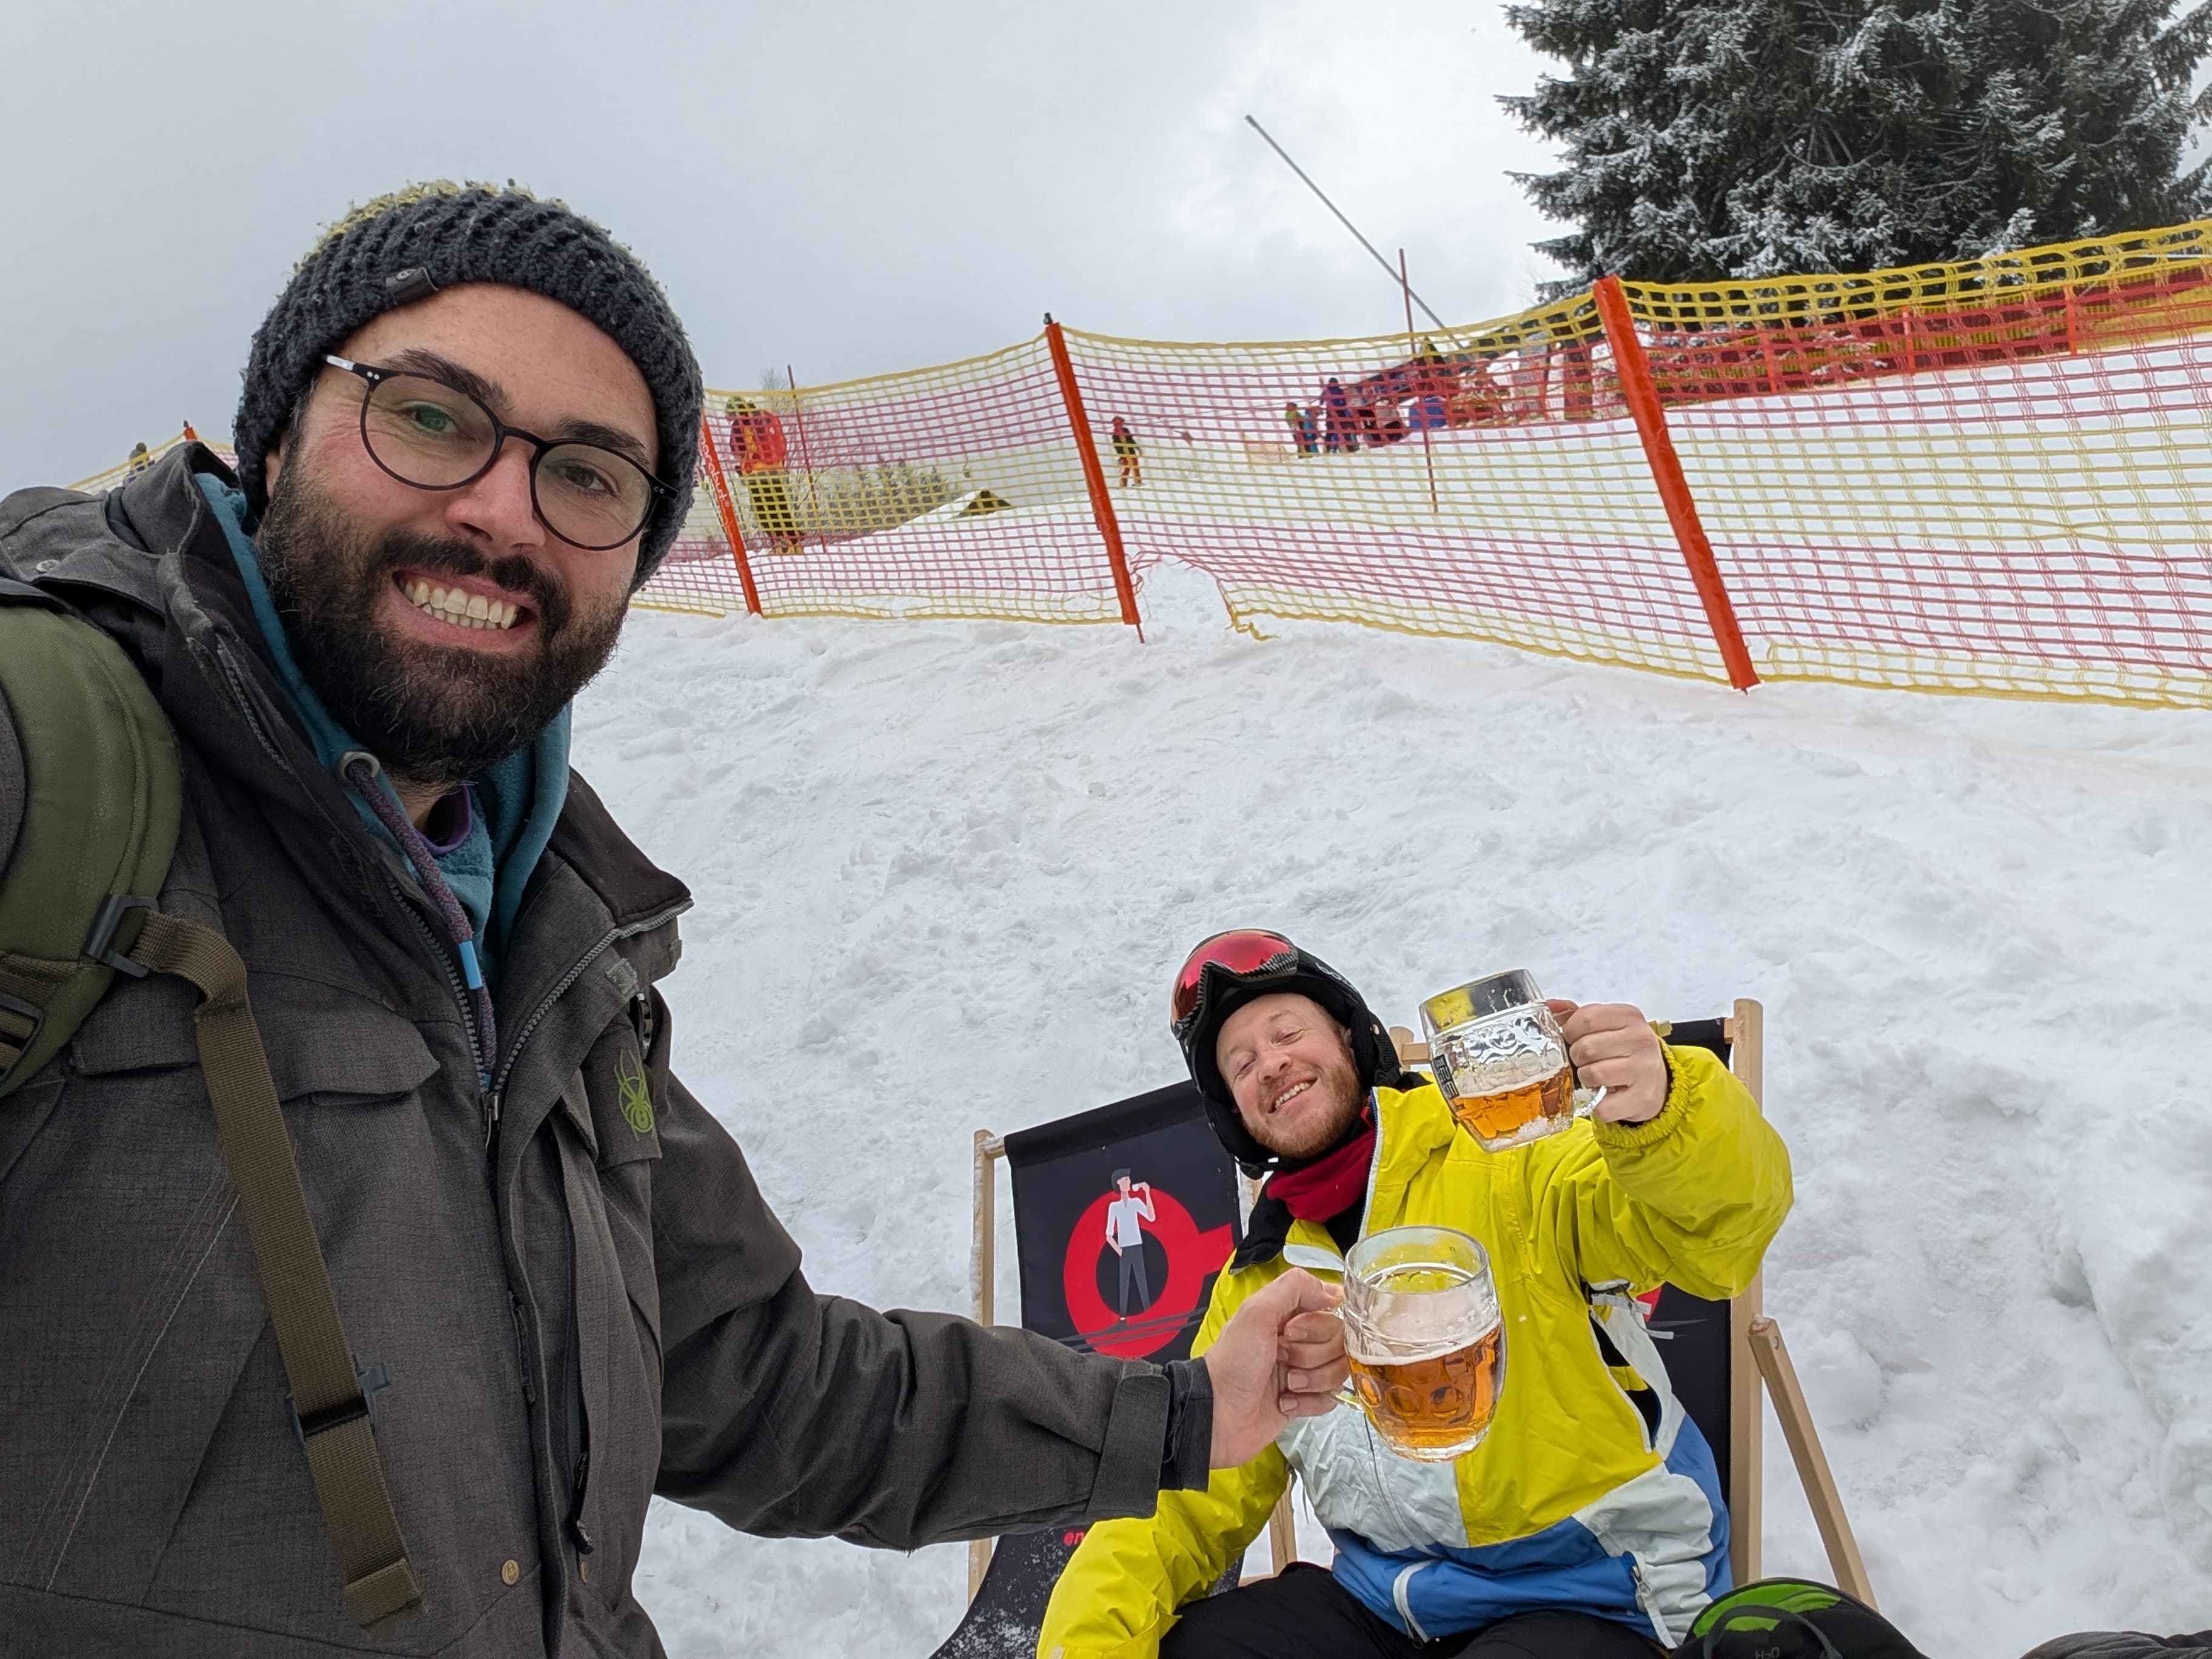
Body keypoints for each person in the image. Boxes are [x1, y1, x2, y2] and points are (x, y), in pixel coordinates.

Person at [0, 183, 1350, 1657]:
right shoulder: (52, 762)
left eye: (586, 474)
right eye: (433, 417)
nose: (503, 510)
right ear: (272, 437)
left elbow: (771, 1378)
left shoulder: (555, 951)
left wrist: (1181, 1408)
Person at [1039, 930, 1794, 1659]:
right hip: (1390, 1605)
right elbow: (1180, 1494)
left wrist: (1664, 1109)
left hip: (1599, 1591)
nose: (1270, 1064)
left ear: (1350, 1040)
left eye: (1287, 1032)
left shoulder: (1510, 1152)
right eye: (1241, 1064)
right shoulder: (1260, 1286)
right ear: (1234, 1115)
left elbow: (1717, 1243)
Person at [725, 392, 802, 552]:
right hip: (775, 468)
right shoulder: (765, 416)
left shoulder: (741, 423)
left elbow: (737, 449)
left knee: (764, 509)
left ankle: (779, 544)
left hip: (756, 472)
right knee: (780, 505)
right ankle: (794, 543)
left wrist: (742, 467)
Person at [1106, 1169, 1158, 1320]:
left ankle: (1149, 1313)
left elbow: (1151, 1217)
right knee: (1124, 1283)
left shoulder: (1135, 1203)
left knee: (1142, 1280)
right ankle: (1122, 1316)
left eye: (1129, 1179)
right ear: (1118, 1183)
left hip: (1137, 1245)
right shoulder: (1114, 1207)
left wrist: (1147, 1193)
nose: (1129, 1182)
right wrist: (1119, 1250)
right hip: (1124, 1248)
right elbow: (1108, 1234)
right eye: (1125, 1179)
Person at [1111, 415, 1142, 486]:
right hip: (1126, 454)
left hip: (1130, 452)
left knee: (1134, 467)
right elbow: (1117, 446)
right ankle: (1124, 484)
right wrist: (1121, 456)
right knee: (1129, 468)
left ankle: (1137, 482)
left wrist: (1137, 447)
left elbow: (1131, 440)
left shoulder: (1125, 431)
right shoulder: (1116, 435)